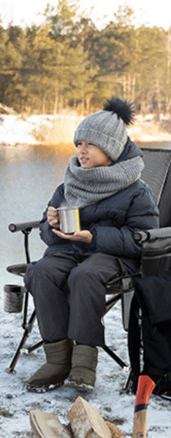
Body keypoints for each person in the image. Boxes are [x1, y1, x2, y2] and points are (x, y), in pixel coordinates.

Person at [24, 97, 159, 393]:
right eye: (78, 144)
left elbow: (142, 238)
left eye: (89, 145)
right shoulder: (70, 182)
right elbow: (47, 234)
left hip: (112, 255)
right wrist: (51, 225)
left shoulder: (136, 191)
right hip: (68, 250)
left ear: (109, 150)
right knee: (41, 271)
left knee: (83, 276)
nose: (80, 151)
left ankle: (84, 364)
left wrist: (93, 237)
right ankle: (57, 360)